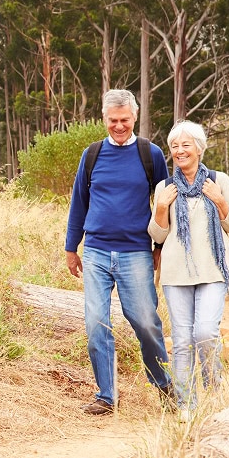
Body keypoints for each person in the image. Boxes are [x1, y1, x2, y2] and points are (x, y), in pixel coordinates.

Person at [65, 89, 174, 415]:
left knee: (145, 322)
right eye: (113, 121)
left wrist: (160, 247)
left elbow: (165, 205)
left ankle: (165, 385)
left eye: (124, 120)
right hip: (96, 252)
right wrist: (72, 247)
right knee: (96, 322)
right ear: (104, 119)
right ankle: (106, 395)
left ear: (134, 117)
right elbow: (79, 203)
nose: (119, 126)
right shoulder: (92, 154)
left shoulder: (150, 154)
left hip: (136, 253)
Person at [148, 120, 229, 422]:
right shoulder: (164, 187)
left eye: (185, 145)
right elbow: (157, 235)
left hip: (213, 270)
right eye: (174, 146)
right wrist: (161, 208)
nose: (179, 151)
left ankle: (213, 391)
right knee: (181, 339)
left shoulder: (219, 180)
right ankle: (186, 406)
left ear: (199, 149)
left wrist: (218, 200)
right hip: (176, 274)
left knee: (204, 332)